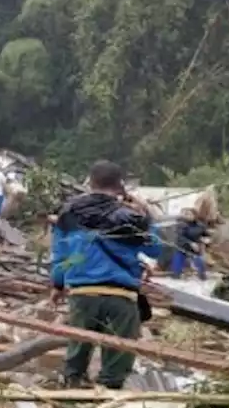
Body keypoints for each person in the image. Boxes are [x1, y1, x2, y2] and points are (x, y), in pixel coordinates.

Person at [51, 160, 161, 389]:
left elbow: (61, 253)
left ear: (90, 182)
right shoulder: (130, 216)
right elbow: (155, 248)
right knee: (119, 351)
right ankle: (108, 394)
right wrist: (145, 215)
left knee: (79, 344)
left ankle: (72, 383)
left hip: (83, 292)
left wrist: (58, 284)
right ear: (120, 185)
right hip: (122, 295)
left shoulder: (69, 213)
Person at [170, 207, 210, 280]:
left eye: (189, 214)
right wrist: (190, 243)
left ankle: (202, 276)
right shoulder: (181, 224)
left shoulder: (200, 226)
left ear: (194, 215)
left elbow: (205, 234)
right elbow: (180, 237)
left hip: (195, 250)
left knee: (201, 266)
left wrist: (206, 240)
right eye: (186, 214)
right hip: (182, 248)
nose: (187, 216)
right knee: (176, 271)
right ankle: (176, 274)